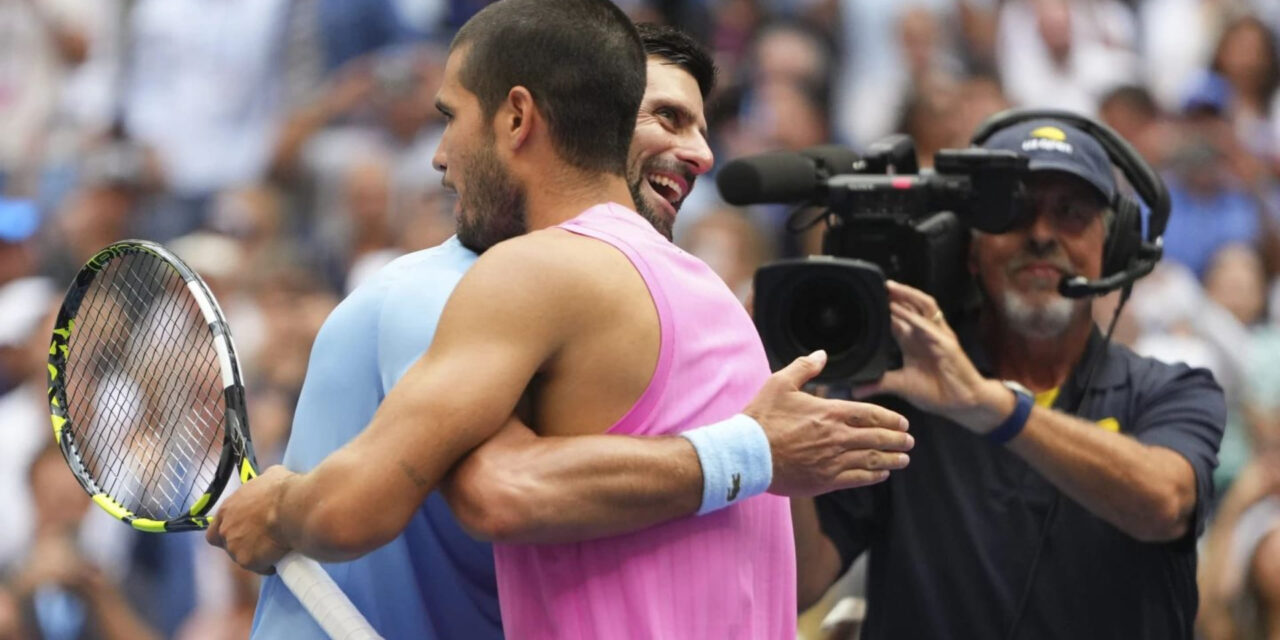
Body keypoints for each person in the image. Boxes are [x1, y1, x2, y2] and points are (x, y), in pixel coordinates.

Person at [216, 12, 912, 640]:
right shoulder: (698, 295)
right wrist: (755, 451)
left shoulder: (550, 277)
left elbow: (494, 493)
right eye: (668, 118)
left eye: (451, 118)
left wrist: (277, 507)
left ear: (521, 117)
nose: (437, 156)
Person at [793, 118, 1226, 639]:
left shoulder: (1171, 390)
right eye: (1013, 210)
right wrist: (787, 443)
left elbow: (1163, 504)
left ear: (1112, 247)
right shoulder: (896, 388)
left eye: (1071, 212)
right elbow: (802, 580)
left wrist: (991, 406)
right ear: (967, 247)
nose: (1042, 234)